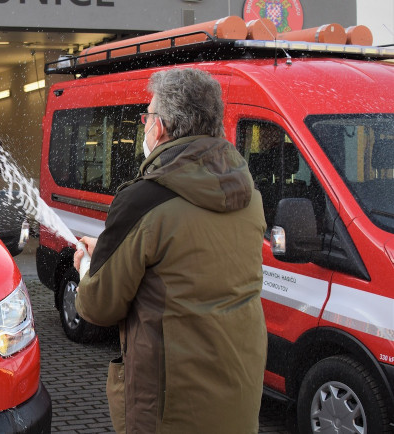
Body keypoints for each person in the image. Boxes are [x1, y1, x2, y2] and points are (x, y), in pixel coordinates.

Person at [73, 68, 267, 434]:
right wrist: (114, 252)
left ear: (158, 127)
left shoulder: (143, 200)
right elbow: (189, 263)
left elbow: (98, 306)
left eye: (146, 116)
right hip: (237, 400)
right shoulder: (248, 195)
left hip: (169, 411)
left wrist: (89, 267)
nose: (144, 124)